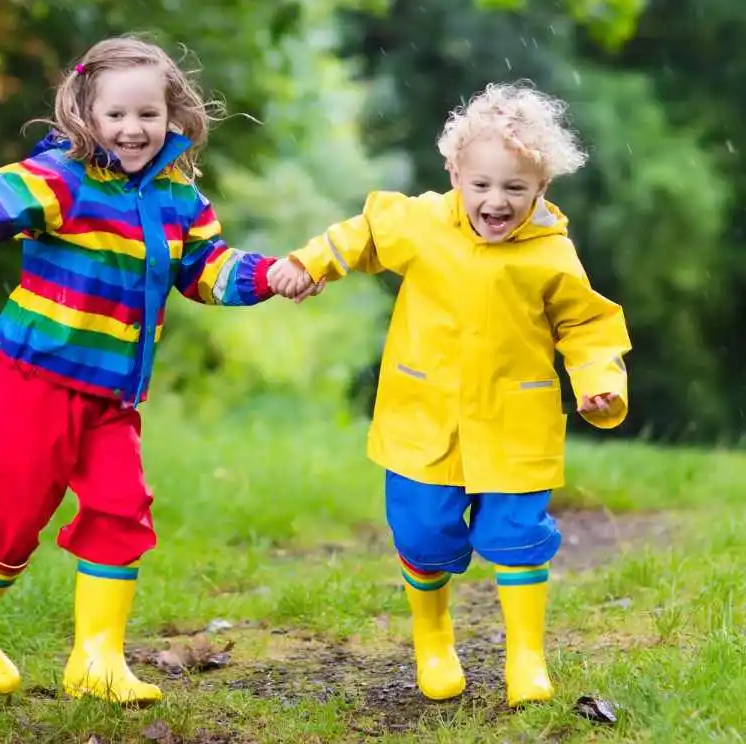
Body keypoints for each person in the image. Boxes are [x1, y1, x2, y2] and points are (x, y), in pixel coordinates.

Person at [0, 36, 316, 704]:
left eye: (148, 114)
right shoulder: (60, 178)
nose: (133, 128)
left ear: (172, 116)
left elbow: (206, 269)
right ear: (87, 112)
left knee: (122, 509)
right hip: (36, 380)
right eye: (117, 115)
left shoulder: (179, 198)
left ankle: (97, 660)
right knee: (13, 517)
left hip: (114, 393)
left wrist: (269, 276)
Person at [269, 82, 630, 707]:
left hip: (515, 420)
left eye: (515, 189)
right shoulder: (422, 224)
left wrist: (600, 383)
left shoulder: (553, 254)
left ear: (541, 189)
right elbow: (363, 236)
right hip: (423, 418)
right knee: (423, 535)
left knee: (517, 534)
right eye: (481, 184)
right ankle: (433, 639)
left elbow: (587, 325)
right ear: (454, 173)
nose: (496, 201)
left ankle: (526, 657)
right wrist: (308, 264)